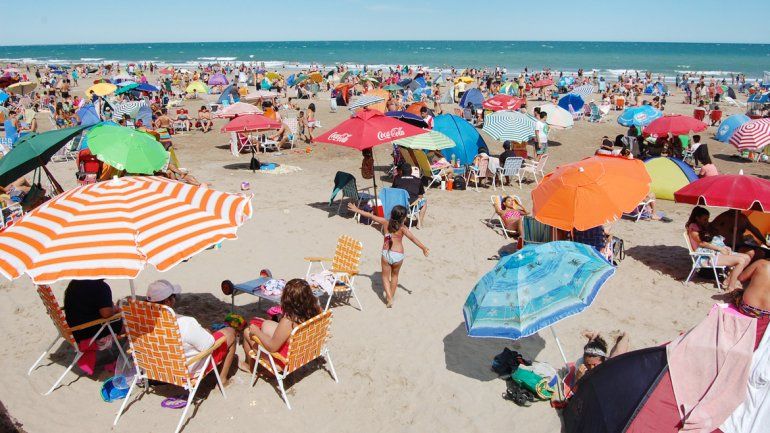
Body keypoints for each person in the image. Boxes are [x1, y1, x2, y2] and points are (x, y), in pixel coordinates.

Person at [146, 280, 237, 384]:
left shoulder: (141, 322)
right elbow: (208, 345)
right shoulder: (185, 322)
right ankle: (223, 380)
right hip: (185, 371)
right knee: (230, 332)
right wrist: (207, 333)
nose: (175, 299)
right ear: (167, 301)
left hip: (157, 368)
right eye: (174, 296)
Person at [347, 203, 429, 307]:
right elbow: (413, 238)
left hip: (386, 253)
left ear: (392, 215)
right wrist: (423, 248)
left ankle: (389, 298)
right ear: (403, 218)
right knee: (394, 276)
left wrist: (357, 210)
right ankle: (390, 297)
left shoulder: (385, 222)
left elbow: (371, 216)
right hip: (398, 255)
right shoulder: (403, 228)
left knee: (385, 277)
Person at [242, 279, 322, 370]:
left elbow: (272, 348)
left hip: (285, 361)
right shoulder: (316, 310)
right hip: (303, 351)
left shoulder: (289, 321)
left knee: (247, 331)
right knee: (266, 323)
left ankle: (250, 367)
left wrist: (257, 332)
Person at [686, 206, 751, 291]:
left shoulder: (701, 226)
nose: (707, 221)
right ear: (697, 218)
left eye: (707, 219)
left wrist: (722, 246)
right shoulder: (693, 228)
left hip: (711, 252)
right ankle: (731, 286)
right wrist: (719, 249)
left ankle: (728, 280)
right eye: (705, 219)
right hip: (705, 256)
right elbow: (702, 243)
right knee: (741, 261)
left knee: (747, 257)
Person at [64, 279, 122, 343]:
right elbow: (106, 313)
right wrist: (115, 309)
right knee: (127, 320)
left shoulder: (75, 282)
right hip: (86, 332)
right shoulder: (101, 286)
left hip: (71, 330)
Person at [392, 162, 427, 227]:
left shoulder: (397, 179)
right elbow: (420, 196)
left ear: (401, 171)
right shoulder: (418, 180)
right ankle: (419, 223)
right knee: (424, 202)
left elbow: (393, 192)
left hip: (399, 205)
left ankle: (404, 219)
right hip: (411, 205)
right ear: (411, 171)